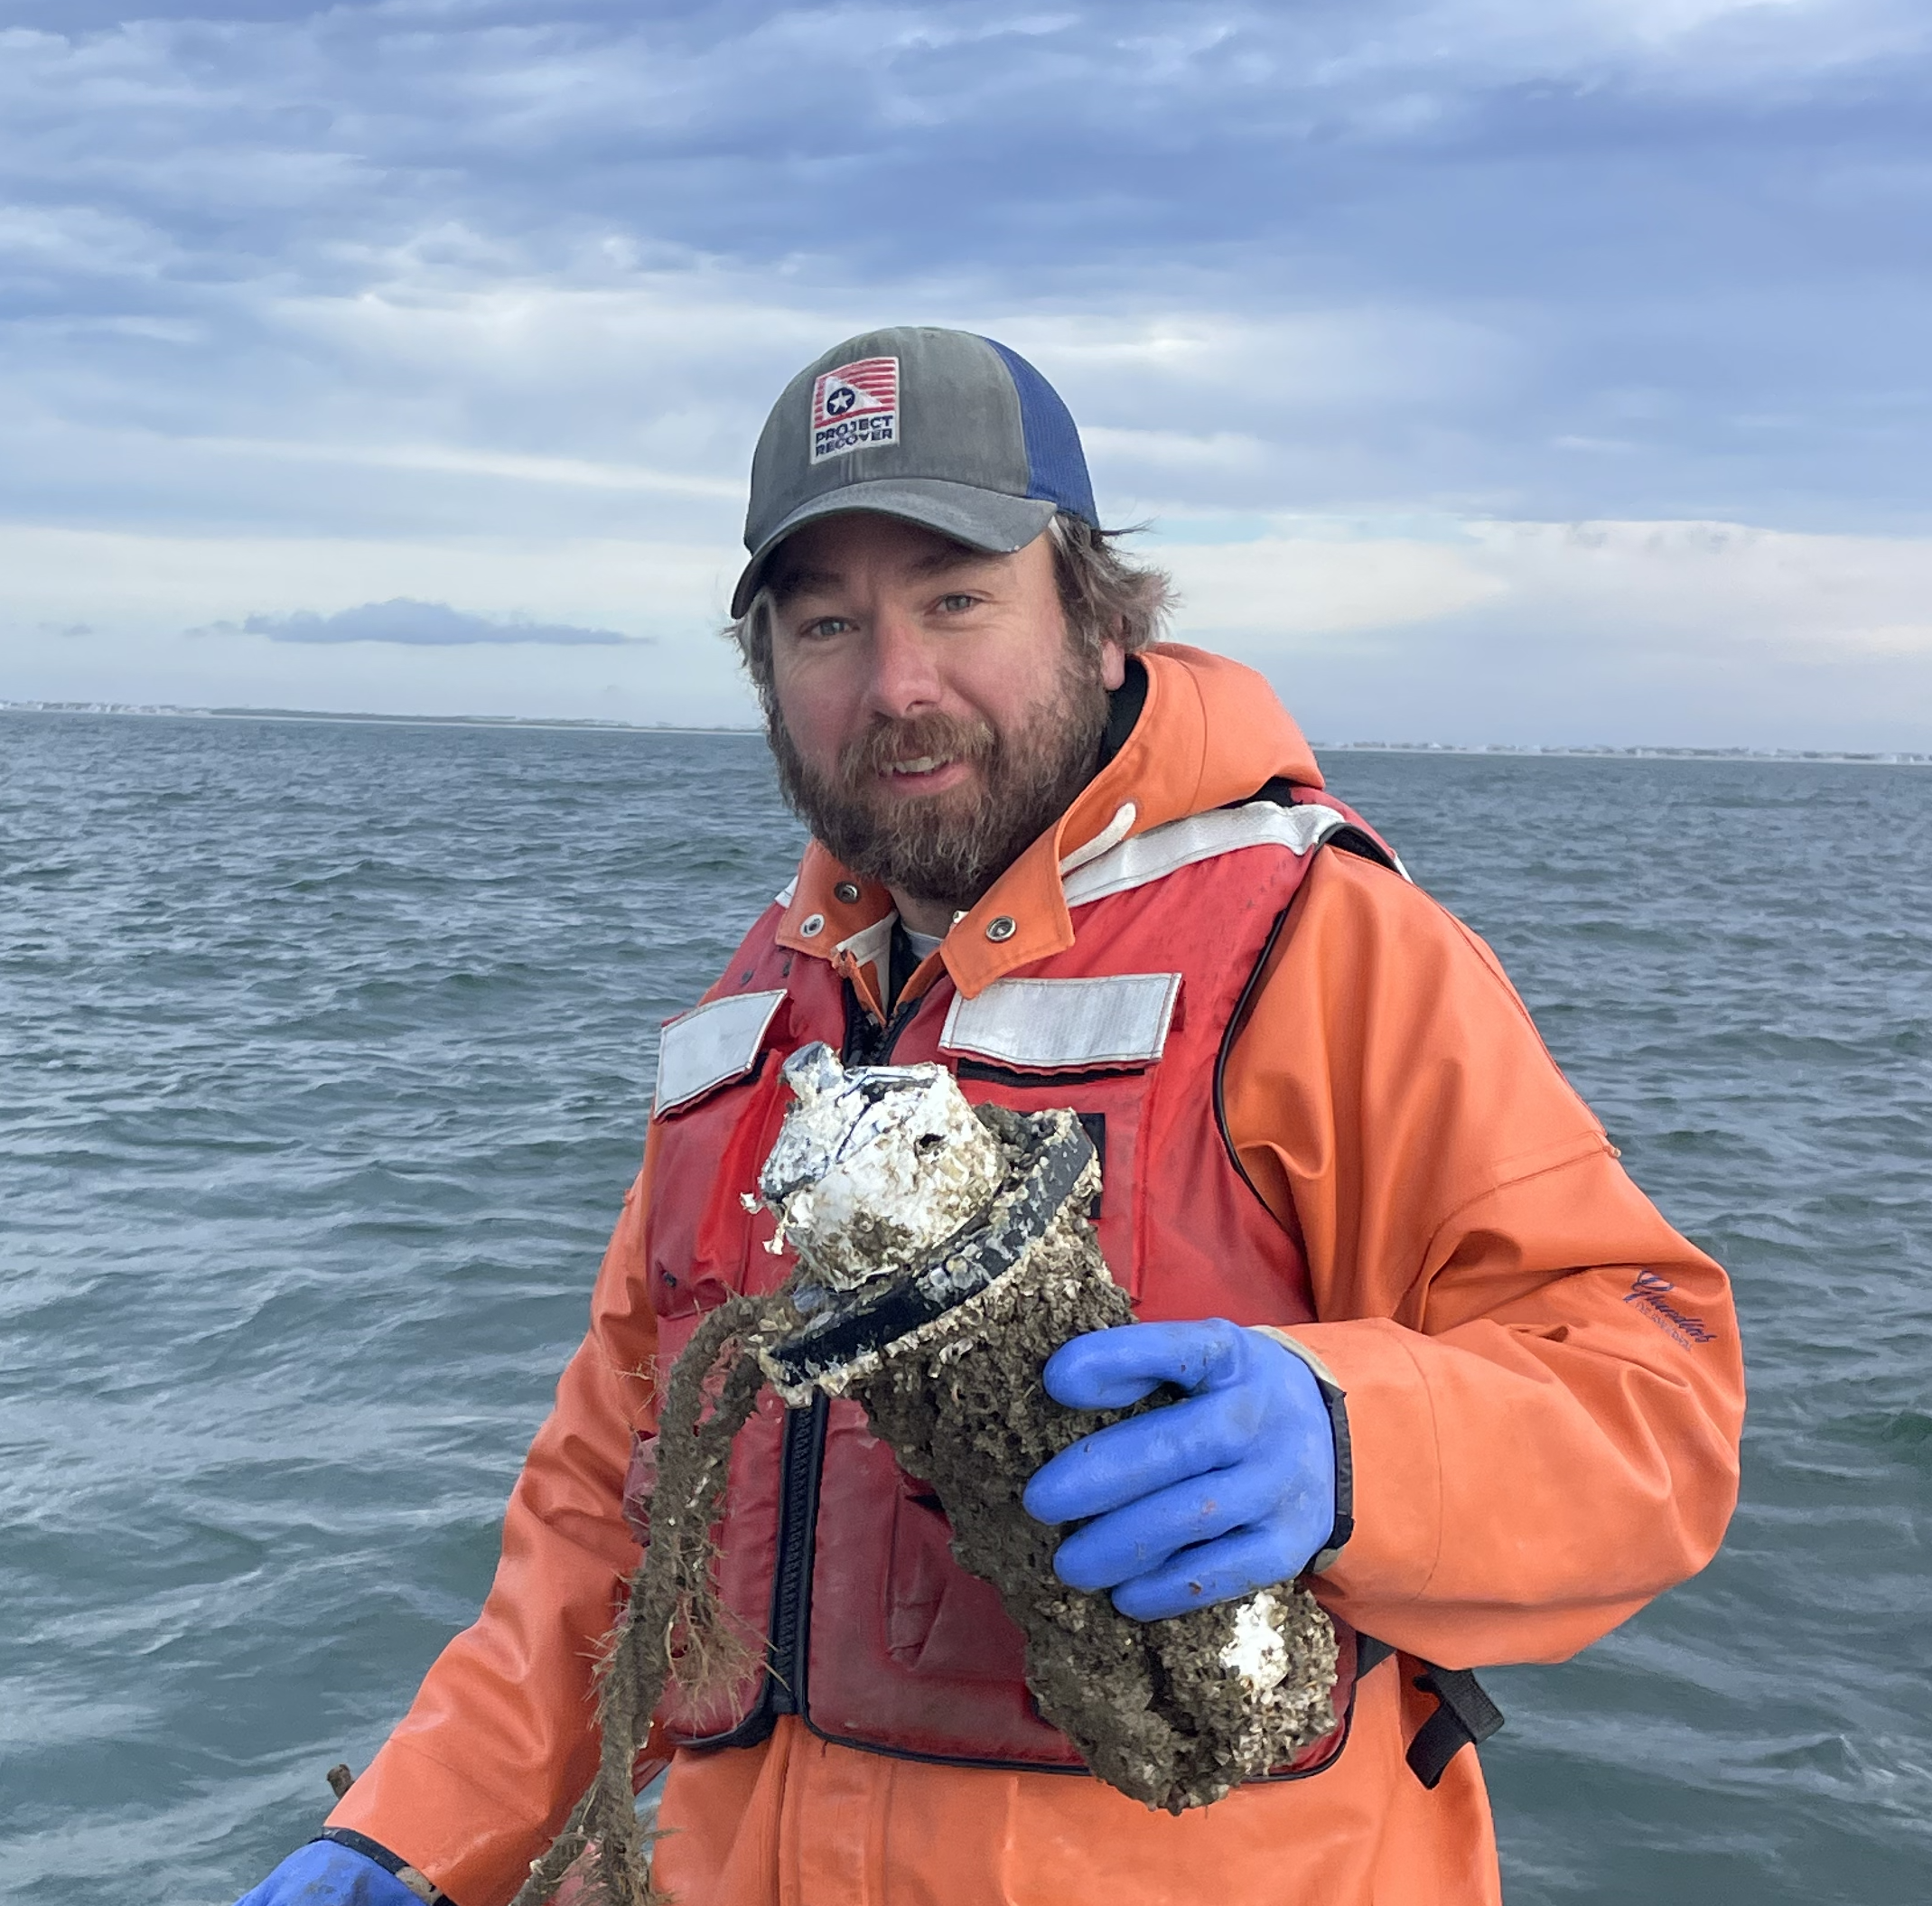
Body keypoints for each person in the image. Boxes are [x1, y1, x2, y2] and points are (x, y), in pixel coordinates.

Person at [238, 327, 1744, 1906]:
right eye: (826, 623)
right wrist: (411, 1833)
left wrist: (1350, 1442)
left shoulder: (1325, 945)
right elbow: (607, 1510)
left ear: (1096, 618)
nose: (897, 684)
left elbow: (1652, 1395)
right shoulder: (754, 1012)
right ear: (768, 675)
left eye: (956, 599)